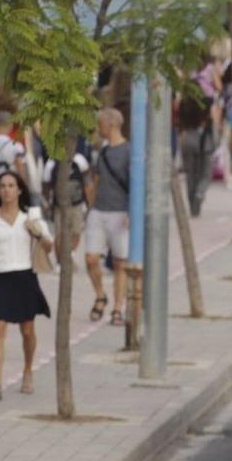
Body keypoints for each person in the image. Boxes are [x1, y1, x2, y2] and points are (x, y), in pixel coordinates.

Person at [0, 171, 53, 401]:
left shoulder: (30, 215)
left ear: (19, 189)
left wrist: (37, 232)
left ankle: (27, 371)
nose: (7, 190)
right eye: (2, 186)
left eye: (11, 185)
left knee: (27, 330)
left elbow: (49, 246)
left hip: (25, 275)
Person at [82, 108, 131, 327]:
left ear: (111, 124)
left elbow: (134, 185)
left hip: (120, 212)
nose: (98, 127)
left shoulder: (129, 151)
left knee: (120, 262)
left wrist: (131, 212)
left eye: (100, 123)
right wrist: (89, 208)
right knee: (91, 258)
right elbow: (96, 179)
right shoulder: (101, 152)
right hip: (99, 211)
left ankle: (118, 308)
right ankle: (100, 294)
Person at [175, 88, 213, 218]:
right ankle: (200, 193)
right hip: (204, 140)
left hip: (187, 138)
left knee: (190, 174)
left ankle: (192, 206)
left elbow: (179, 125)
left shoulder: (183, 104)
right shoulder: (206, 102)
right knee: (206, 173)